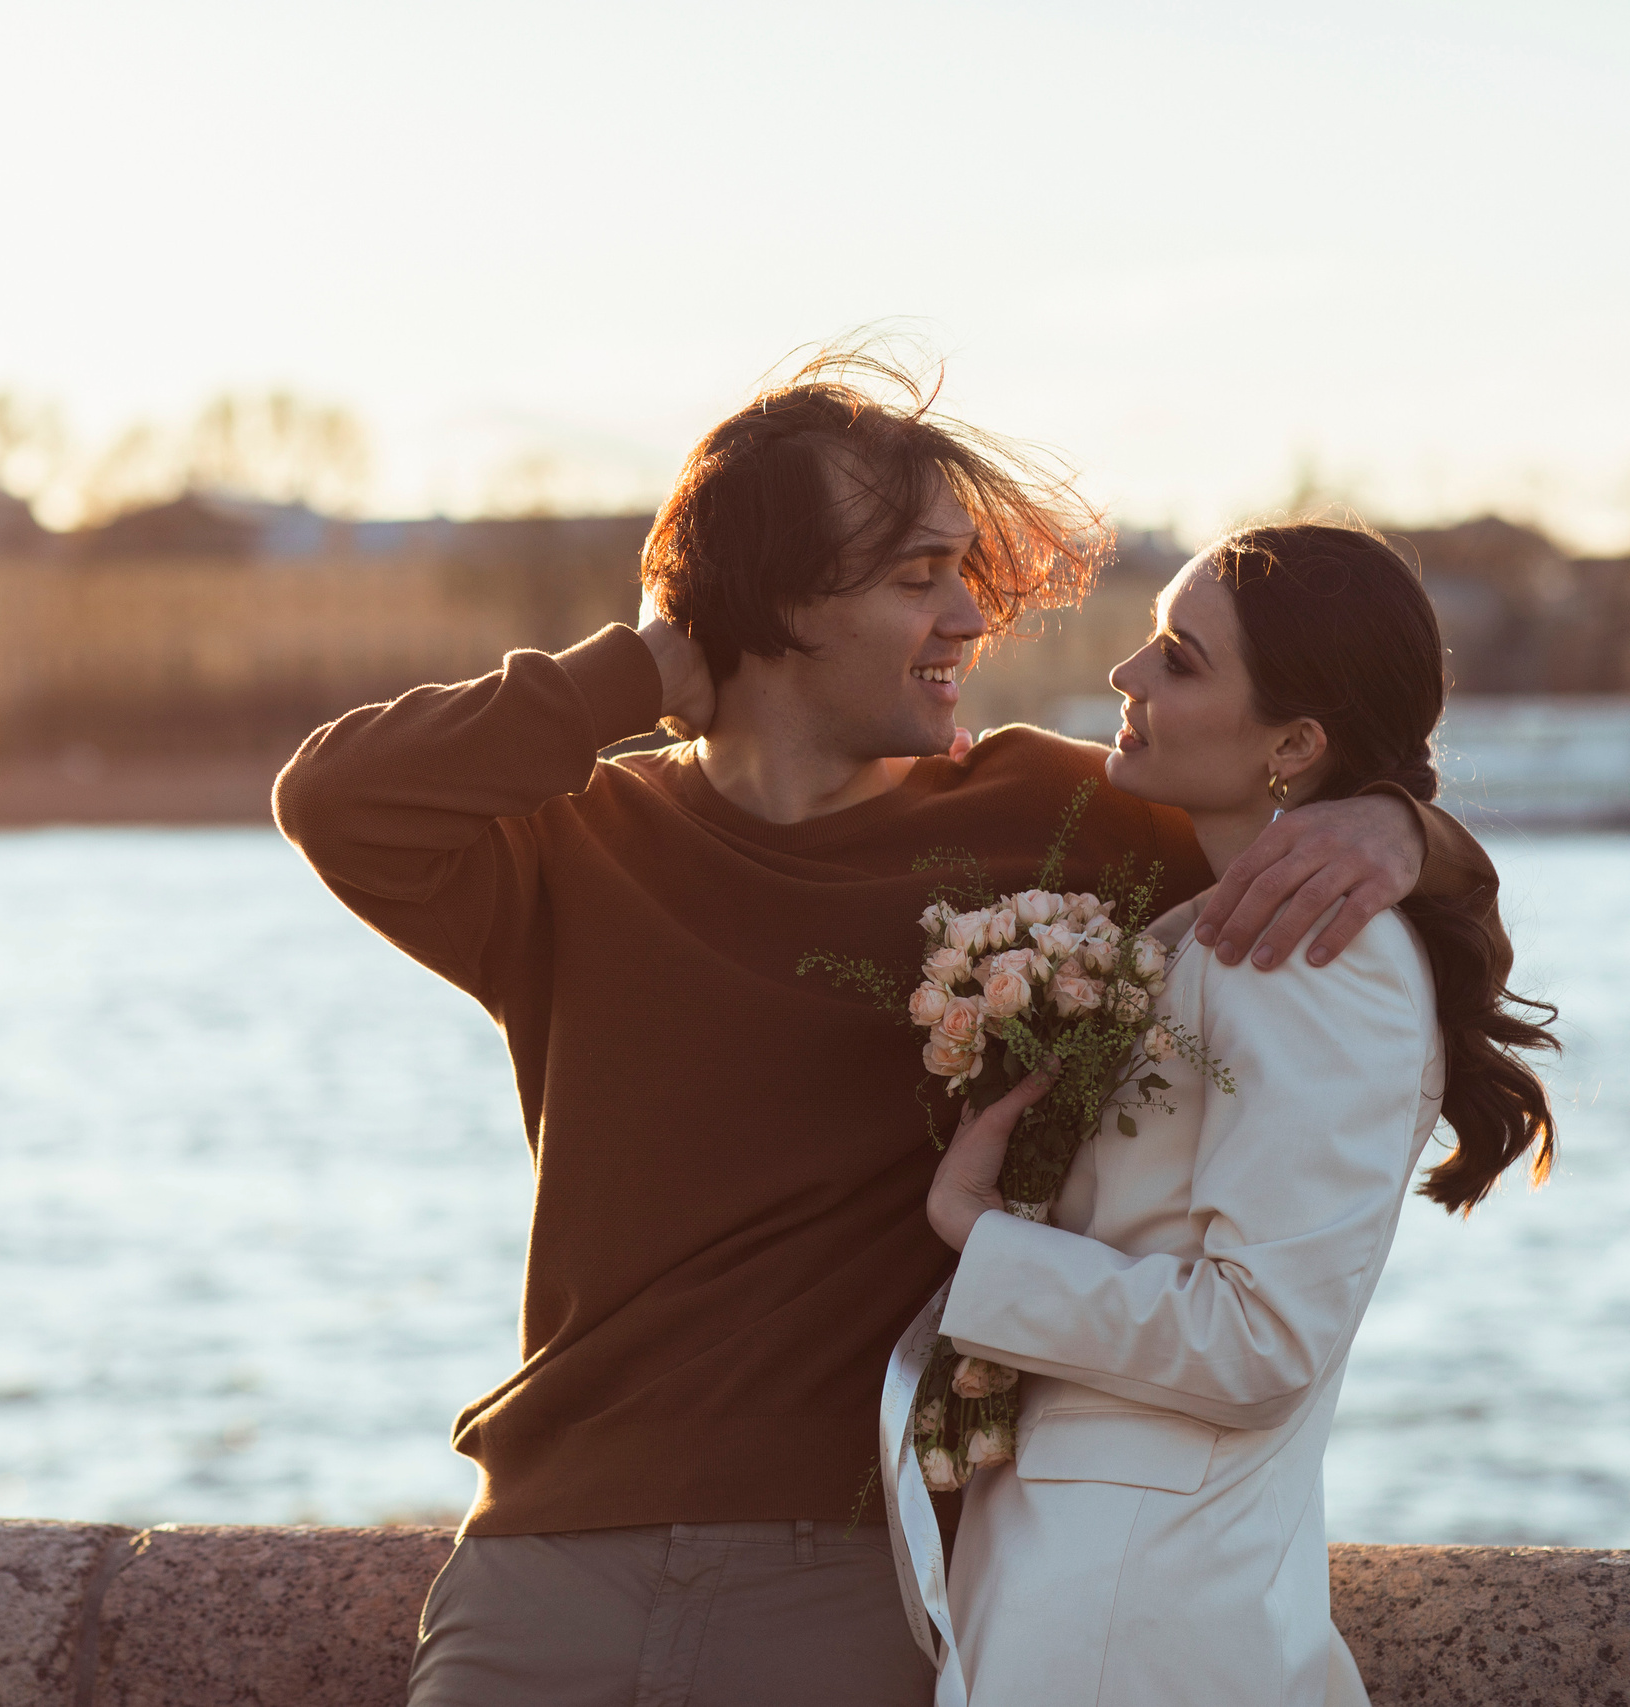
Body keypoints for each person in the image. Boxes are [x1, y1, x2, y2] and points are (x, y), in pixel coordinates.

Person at [272, 347, 1501, 1707]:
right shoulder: (570, 849)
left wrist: (1403, 825)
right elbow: (339, 799)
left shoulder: (1064, 811)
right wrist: (638, 669)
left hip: (859, 1579)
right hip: (541, 1565)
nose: (968, 617)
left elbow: (1359, 902)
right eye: (918, 574)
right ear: (777, 600)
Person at [909, 523, 1558, 1707]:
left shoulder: (1312, 952)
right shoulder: (1210, 929)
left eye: (1180, 658)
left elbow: (1260, 1341)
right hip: (1097, 1581)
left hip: (1137, 1608)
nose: (1127, 676)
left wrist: (983, 1234)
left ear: (1295, 744)